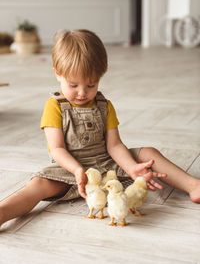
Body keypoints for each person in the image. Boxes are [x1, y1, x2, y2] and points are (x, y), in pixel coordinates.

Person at [0, 29, 200, 227]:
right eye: (73, 85)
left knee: (149, 153)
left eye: (91, 85)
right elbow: (57, 149)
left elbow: (114, 146)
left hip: (107, 166)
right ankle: (3, 213)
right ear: (57, 74)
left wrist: (131, 167)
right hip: (69, 170)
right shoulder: (54, 106)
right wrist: (78, 170)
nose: (82, 93)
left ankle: (193, 185)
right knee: (37, 185)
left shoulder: (105, 105)